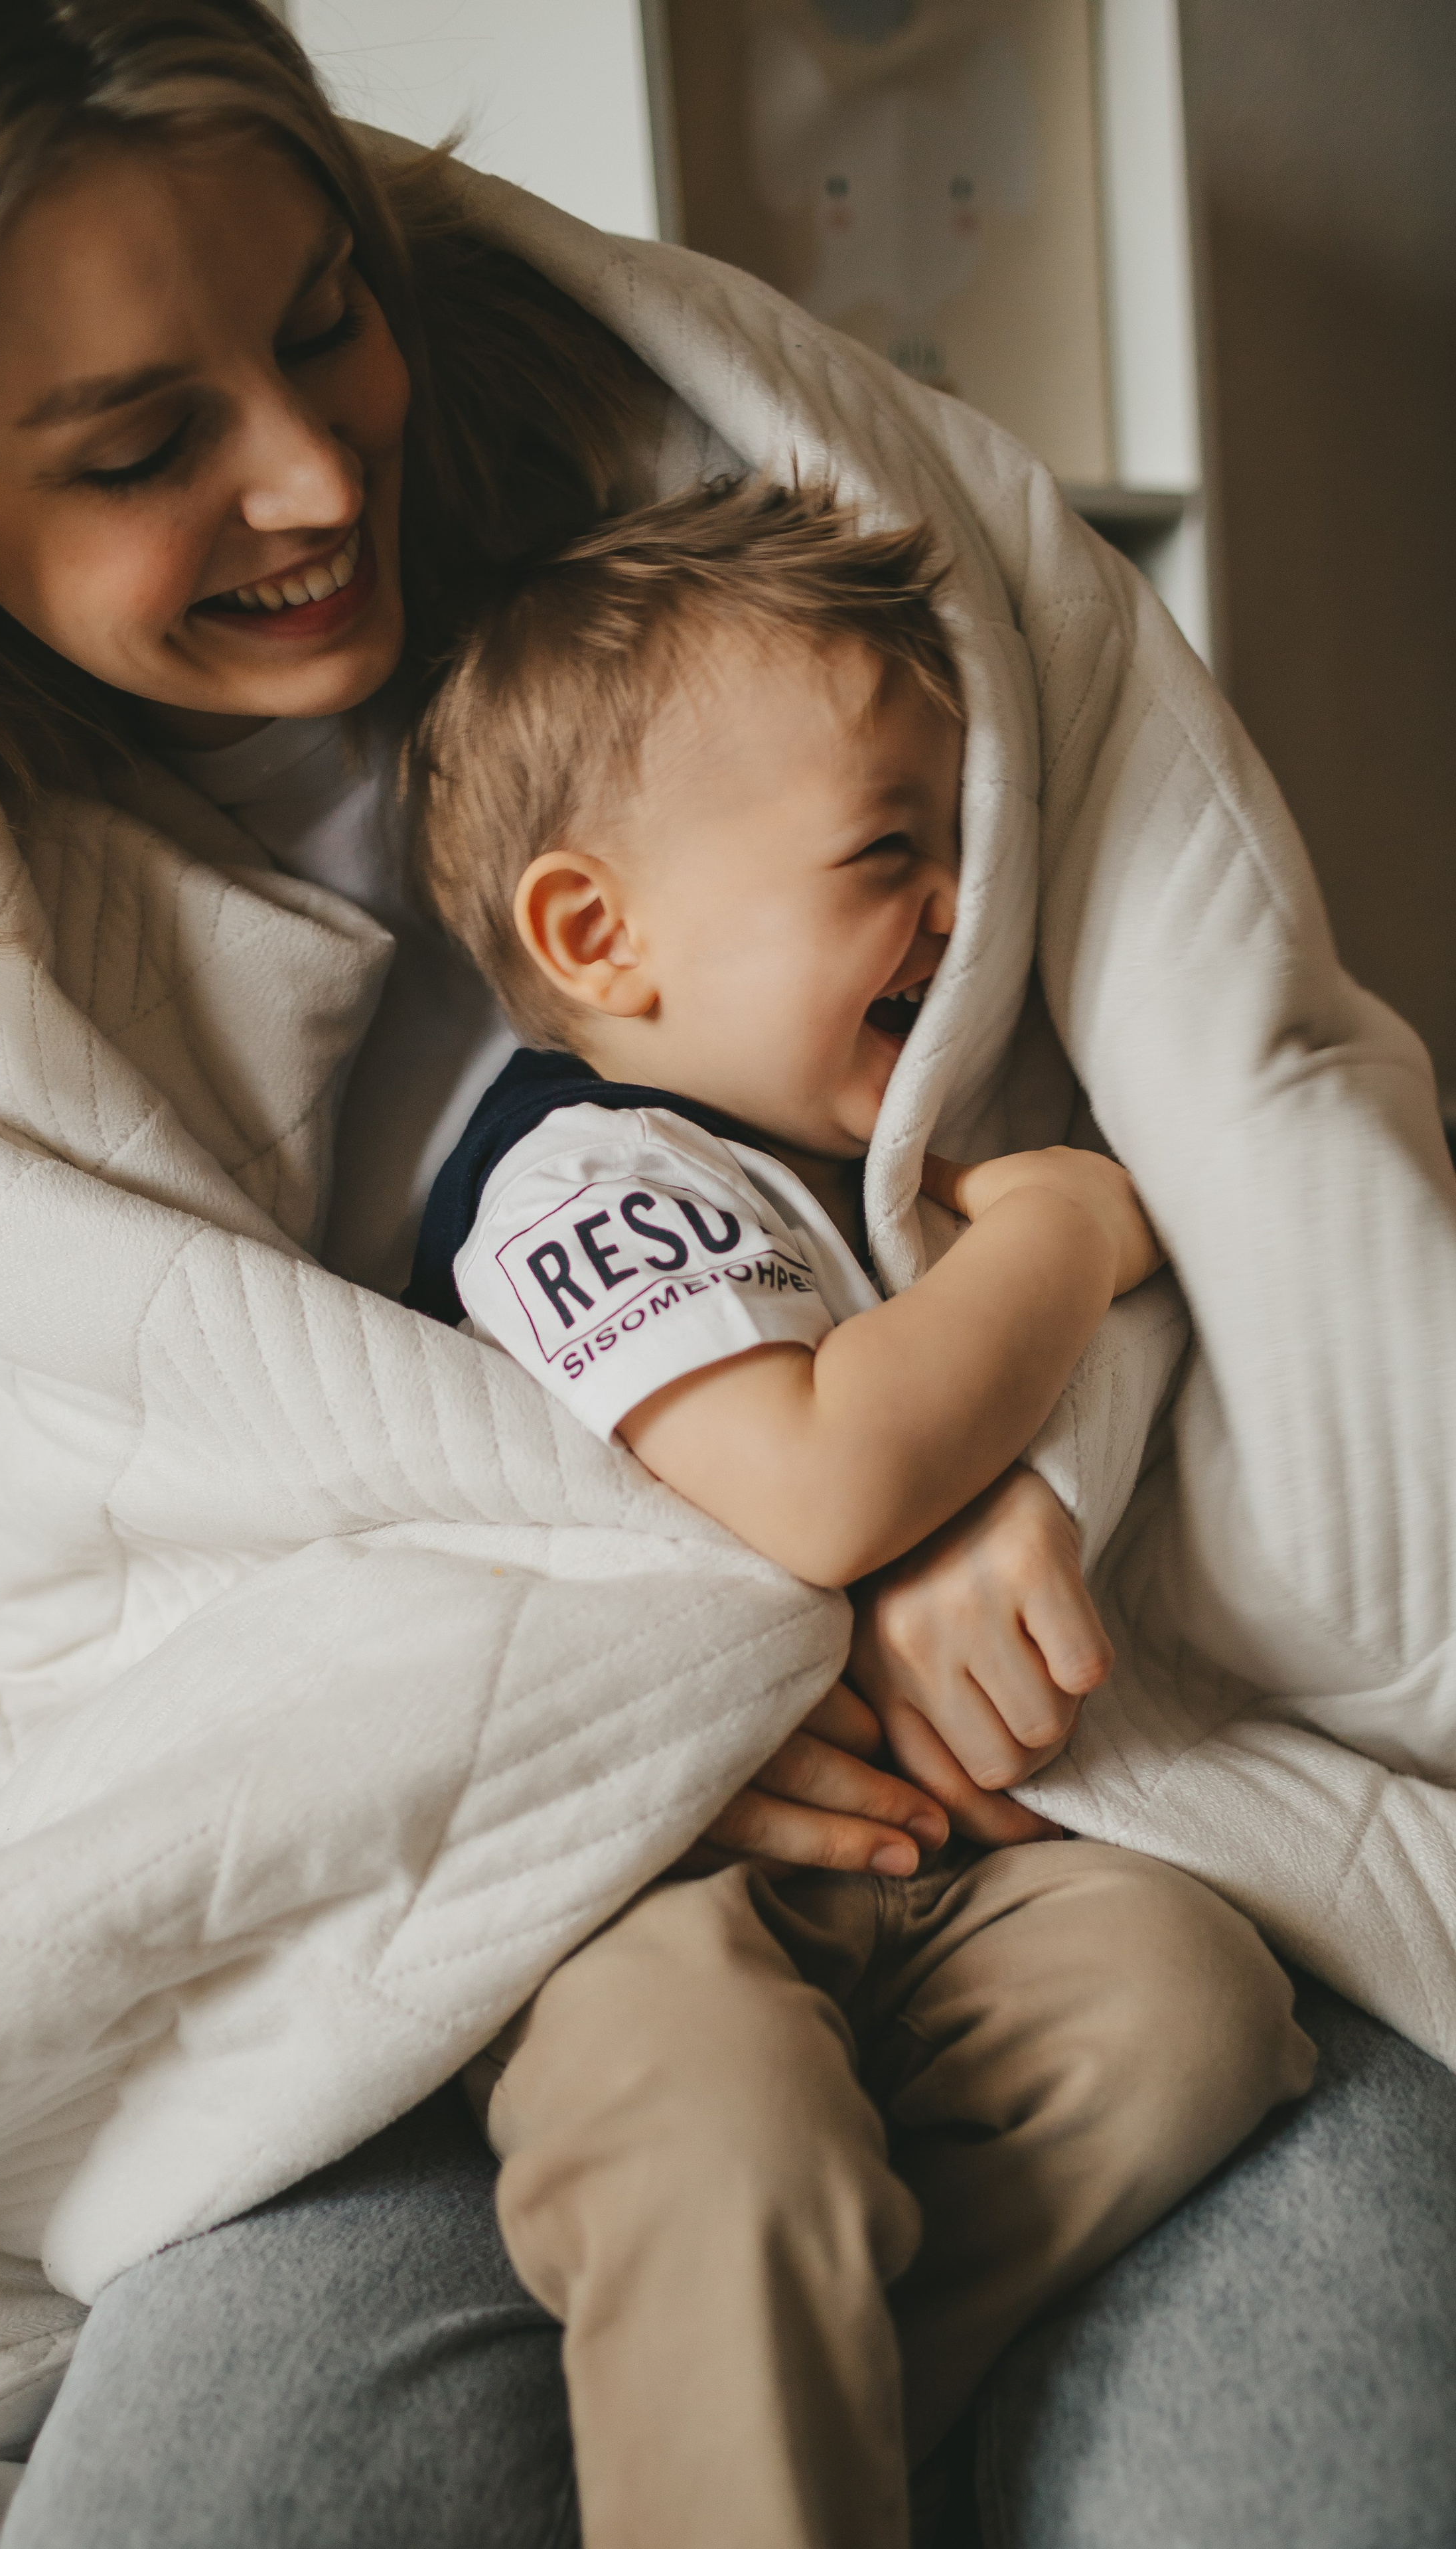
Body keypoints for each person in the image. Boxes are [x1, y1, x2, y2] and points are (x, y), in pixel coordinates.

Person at [0, 3, 1450, 2544]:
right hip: (458, 1896)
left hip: (1036, 1768)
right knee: (486, 2308)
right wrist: (685, 1655)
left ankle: (766, 2416)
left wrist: (1043, 1444)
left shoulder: (727, 564)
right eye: (139, 447)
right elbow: (119, 1564)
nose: (320, 471)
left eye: (328, 313)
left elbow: (1212, 1077)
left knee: (1210, 2075)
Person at [397, 472, 1310, 2547]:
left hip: (919, 1881)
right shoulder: (576, 1183)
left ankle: (765, 2455)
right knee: (728, 2152)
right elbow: (817, 1482)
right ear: (596, 935)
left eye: (971, 857)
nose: (957, 915)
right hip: (636, 1892)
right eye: (887, 854)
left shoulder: (865, 1169)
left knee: (1191, 2010)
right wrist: (1070, 1234)